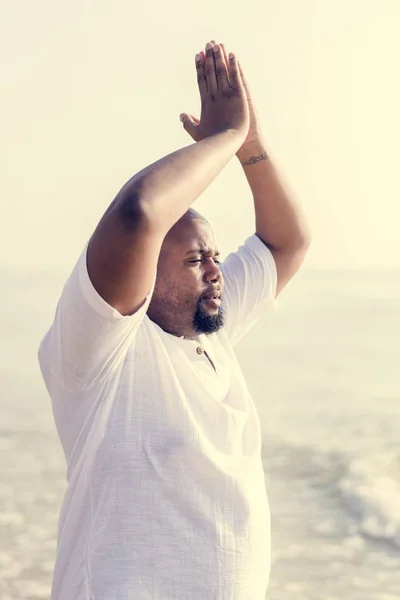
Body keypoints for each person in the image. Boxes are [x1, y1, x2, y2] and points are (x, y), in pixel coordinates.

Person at [38, 40, 311, 600]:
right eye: (193, 260)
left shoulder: (212, 331)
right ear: (143, 275)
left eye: (212, 254)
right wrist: (224, 137)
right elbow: (138, 215)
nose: (215, 270)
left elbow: (288, 242)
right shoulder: (100, 351)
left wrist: (252, 148)